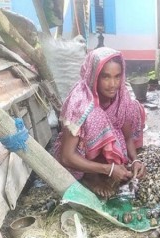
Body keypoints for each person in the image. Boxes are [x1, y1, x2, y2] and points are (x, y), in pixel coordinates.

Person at [54, 47, 146, 199]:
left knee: (135, 107)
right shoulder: (80, 103)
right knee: (95, 117)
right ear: (94, 76)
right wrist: (108, 170)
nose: (113, 84)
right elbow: (66, 157)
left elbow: (127, 137)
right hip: (78, 154)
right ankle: (91, 176)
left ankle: (105, 167)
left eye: (117, 77)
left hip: (102, 148)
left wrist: (135, 160)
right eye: (106, 77)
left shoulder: (121, 97)